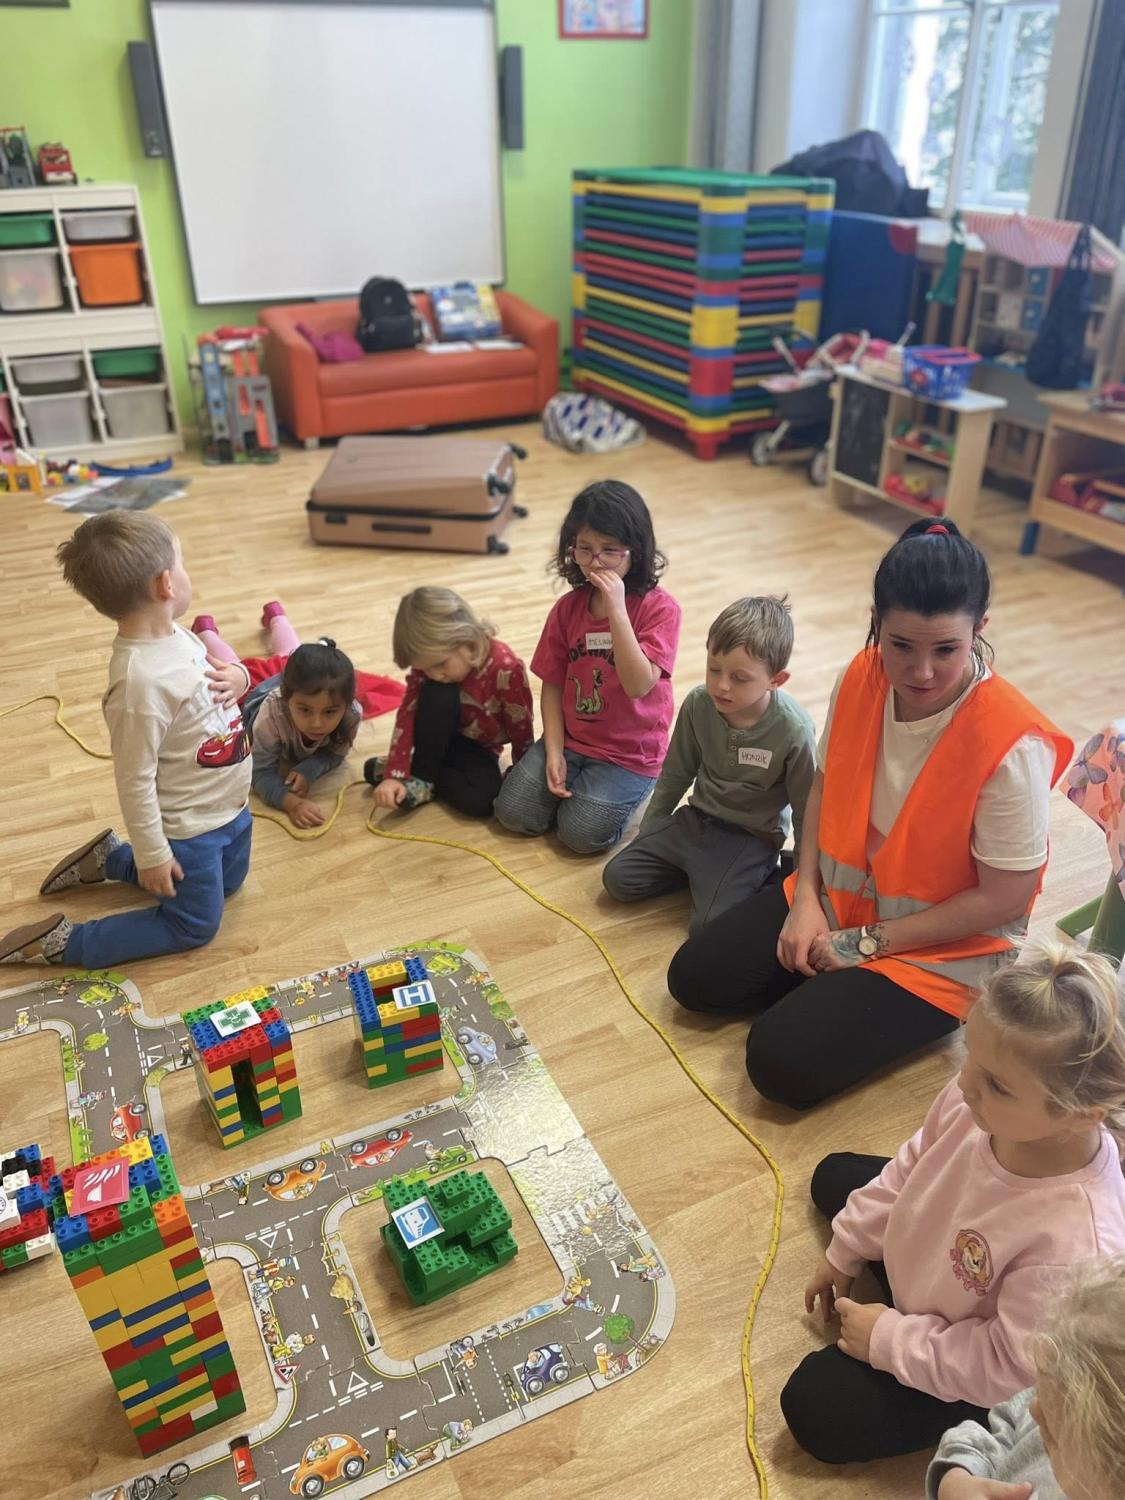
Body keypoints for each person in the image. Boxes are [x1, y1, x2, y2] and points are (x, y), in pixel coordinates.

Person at [667, 519, 1074, 1108]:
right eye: (901, 645)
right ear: (876, 622)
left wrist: (865, 944)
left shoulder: (1012, 743)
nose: (921, 672)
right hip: (840, 902)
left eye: (946, 649)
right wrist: (806, 899)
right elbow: (822, 790)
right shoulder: (860, 675)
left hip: (943, 952)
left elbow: (1006, 898)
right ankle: (827, 990)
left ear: (979, 630)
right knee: (693, 980)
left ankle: (862, 1001)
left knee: (778, 1064)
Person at [780, 942, 1125, 1466]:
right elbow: (914, 1161)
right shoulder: (978, 1101)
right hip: (939, 1276)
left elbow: (1007, 1370)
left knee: (816, 1405)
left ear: (1081, 1115)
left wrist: (889, 1339)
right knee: (836, 1177)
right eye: (970, 1052)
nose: (964, 1082)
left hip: (983, 1366)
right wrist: (845, 1249)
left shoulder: (1075, 1247)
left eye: (996, 1084)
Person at [0, 511, 252, 967]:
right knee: (195, 924)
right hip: (190, 828)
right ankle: (66, 943)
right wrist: (153, 855)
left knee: (230, 886)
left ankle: (111, 859)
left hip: (230, 806)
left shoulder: (174, 634)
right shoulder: (139, 686)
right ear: (165, 584)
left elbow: (213, 683)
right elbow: (134, 781)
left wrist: (240, 676)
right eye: (182, 564)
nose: (187, 573)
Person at [602, 595, 815, 932]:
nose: (721, 685)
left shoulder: (794, 730)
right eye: (714, 669)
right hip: (696, 821)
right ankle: (704, 876)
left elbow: (807, 811)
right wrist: (648, 832)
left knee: (706, 928)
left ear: (776, 679)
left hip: (750, 839)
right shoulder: (698, 704)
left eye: (740, 678)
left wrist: (802, 885)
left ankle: (744, 876)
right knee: (618, 879)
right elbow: (676, 773)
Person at [494, 479, 681, 854]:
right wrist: (553, 750)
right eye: (585, 549)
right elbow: (552, 684)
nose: (595, 562)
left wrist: (616, 609)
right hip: (574, 740)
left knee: (579, 836)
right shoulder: (567, 609)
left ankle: (635, 792)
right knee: (512, 813)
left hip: (628, 755)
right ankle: (579, 790)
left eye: (609, 551)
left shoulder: (661, 609)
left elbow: (638, 685)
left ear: (636, 550)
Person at [927, 1254, 1125, 1500]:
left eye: (1051, 1435)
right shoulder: (1060, 1399)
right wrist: (956, 1475)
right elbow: (1003, 1424)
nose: (1034, 1409)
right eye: (1038, 1389)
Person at [365, 586, 533, 818]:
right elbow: (407, 715)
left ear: (466, 639)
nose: (434, 674)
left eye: (440, 664)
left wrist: (521, 773)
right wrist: (394, 773)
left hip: (478, 749)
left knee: (482, 802)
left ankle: (419, 773)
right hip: (434, 735)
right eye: (426, 668)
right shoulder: (432, 664)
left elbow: (521, 724)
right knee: (437, 693)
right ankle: (421, 778)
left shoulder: (506, 667)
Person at [240, 638, 360, 829]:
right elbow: (259, 771)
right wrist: (291, 803)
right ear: (286, 699)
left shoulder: (352, 714)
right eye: (305, 710)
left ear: (347, 704)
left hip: (293, 683)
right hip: (256, 695)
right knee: (232, 669)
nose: (317, 724)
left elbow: (336, 754)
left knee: (294, 656)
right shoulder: (270, 715)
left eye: (330, 712)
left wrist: (309, 769)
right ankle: (207, 630)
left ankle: (282, 621)